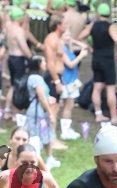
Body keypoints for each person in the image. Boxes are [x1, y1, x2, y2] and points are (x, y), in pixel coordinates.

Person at [79, 3, 117, 125]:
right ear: (108, 14)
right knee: (110, 89)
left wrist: (89, 48)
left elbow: (80, 36)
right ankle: (114, 117)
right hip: (108, 61)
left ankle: (98, 114)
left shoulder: (93, 25)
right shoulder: (110, 26)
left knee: (97, 87)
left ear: (98, 13)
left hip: (96, 59)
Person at [25, 55, 60, 170]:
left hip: (39, 111)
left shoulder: (35, 77)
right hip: (37, 112)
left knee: (46, 134)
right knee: (37, 135)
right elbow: (41, 97)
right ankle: (36, 161)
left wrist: (49, 99)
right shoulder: (36, 78)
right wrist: (50, 112)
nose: (45, 63)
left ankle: (49, 158)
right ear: (38, 64)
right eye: (43, 61)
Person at [44, 16, 68, 151]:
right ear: (58, 25)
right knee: (52, 109)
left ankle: (53, 137)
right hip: (53, 78)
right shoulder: (52, 39)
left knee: (56, 108)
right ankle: (51, 140)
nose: (66, 26)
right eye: (64, 23)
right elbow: (50, 63)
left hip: (58, 76)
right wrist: (57, 81)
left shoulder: (58, 39)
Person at [4, 7, 32, 120]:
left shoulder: (8, 27)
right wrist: (31, 57)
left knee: (13, 85)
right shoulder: (18, 30)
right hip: (19, 60)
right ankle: (16, 113)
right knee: (18, 86)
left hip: (11, 57)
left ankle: (7, 110)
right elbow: (24, 47)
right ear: (20, 18)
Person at [60, 29, 87, 140]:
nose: (69, 37)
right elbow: (70, 64)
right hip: (67, 81)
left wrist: (71, 40)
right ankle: (65, 131)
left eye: (69, 35)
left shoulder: (67, 47)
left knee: (70, 106)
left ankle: (67, 128)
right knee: (68, 106)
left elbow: (84, 46)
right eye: (66, 35)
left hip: (72, 80)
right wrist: (81, 56)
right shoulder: (61, 49)